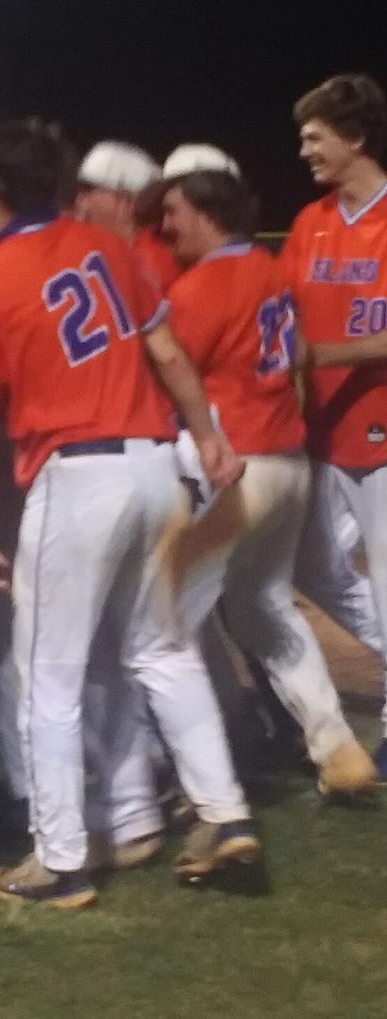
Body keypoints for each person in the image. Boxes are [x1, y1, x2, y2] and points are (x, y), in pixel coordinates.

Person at [0, 120, 257, 908]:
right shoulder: (108, 247)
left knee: (46, 675)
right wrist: (208, 438)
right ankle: (222, 813)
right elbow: (167, 355)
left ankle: (58, 859)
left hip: (79, 476)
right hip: (156, 464)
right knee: (162, 651)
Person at [160, 146, 376, 793]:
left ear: (205, 211)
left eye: (175, 211)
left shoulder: (198, 287)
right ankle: (336, 745)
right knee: (262, 605)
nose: (167, 226)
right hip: (289, 461)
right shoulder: (271, 268)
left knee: (166, 619)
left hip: (235, 467)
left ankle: (209, 774)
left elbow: (172, 377)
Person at [286, 74, 387, 777]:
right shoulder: (309, 221)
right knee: (310, 567)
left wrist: (322, 353)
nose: (304, 149)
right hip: (320, 430)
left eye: (316, 136)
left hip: (383, 432)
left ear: (356, 136)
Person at [75, 140, 181, 290]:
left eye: (88, 190)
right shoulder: (109, 250)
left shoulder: (152, 264)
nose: (80, 200)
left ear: (127, 201)